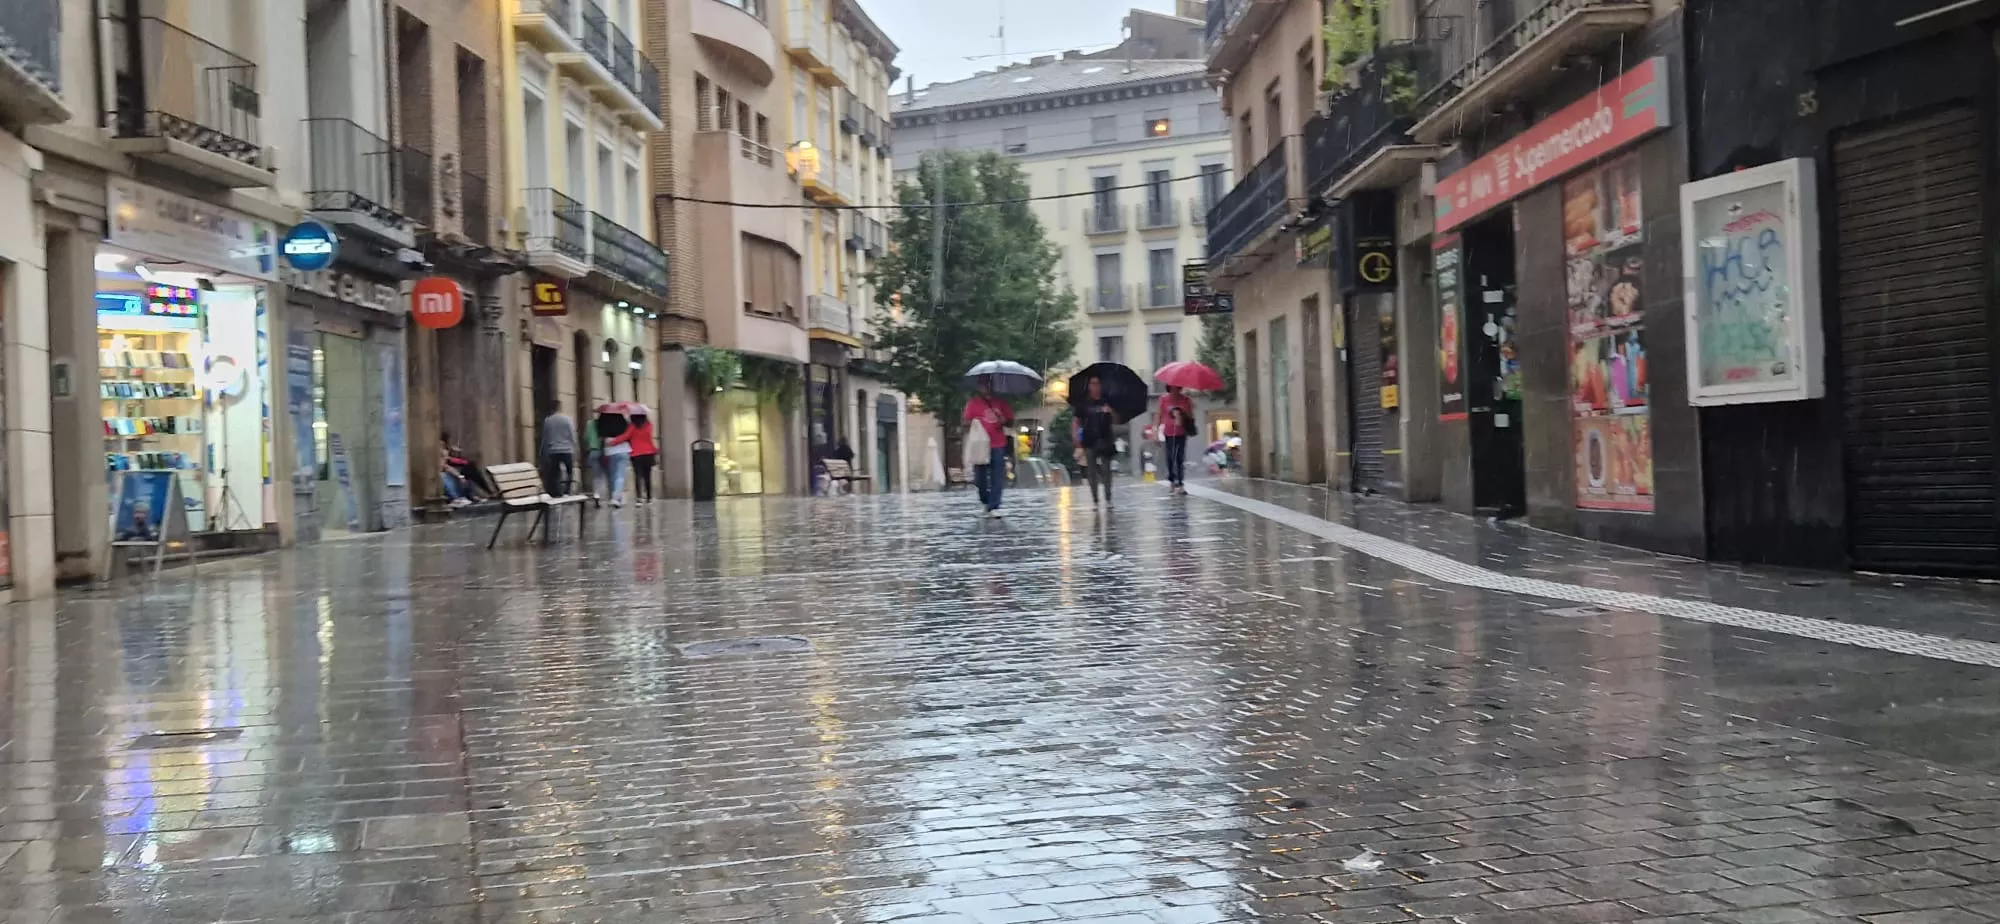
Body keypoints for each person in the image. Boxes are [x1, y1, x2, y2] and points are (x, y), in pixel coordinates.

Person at [962, 378, 1014, 518]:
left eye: (988, 385)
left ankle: (994, 506)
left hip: (998, 443)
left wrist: (1004, 420)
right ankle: (986, 500)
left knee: (997, 476)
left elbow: (1010, 422)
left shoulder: (1001, 403)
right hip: (980, 445)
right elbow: (965, 422)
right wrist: (973, 423)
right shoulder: (973, 403)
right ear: (979, 388)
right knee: (980, 478)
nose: (986, 388)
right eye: (983, 386)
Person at [1075, 376, 1119, 506]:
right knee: (1091, 471)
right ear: (1089, 386)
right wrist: (1077, 440)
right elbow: (1076, 421)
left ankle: (1108, 497)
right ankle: (1095, 498)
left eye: (1098, 384)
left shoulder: (1107, 401)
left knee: (1106, 469)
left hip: (1106, 438)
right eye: (1093, 384)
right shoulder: (1083, 403)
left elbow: (1117, 420)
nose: (1096, 387)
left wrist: (1111, 412)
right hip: (1089, 439)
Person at [1157, 385, 1195, 494]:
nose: (1175, 390)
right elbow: (1159, 415)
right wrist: (1155, 431)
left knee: (1179, 458)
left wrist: (1181, 414)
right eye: (1173, 388)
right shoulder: (1164, 399)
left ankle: (1180, 483)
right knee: (1170, 457)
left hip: (1181, 432)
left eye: (1177, 388)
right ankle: (1172, 481)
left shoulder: (1186, 400)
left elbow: (1191, 416)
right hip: (1168, 432)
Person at [596, 405, 633, 507]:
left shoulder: (602, 422)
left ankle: (615, 497)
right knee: (620, 476)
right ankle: (616, 498)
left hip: (610, 450)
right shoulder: (622, 421)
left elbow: (600, 436)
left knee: (612, 476)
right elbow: (628, 435)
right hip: (623, 449)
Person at [539, 406, 577, 497]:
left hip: (553, 450)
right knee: (569, 471)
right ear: (560, 408)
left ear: (552, 409)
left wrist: (542, 451)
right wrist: (575, 447)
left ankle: (557, 491)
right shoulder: (568, 419)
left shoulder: (548, 421)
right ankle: (567, 491)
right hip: (567, 450)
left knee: (555, 473)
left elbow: (545, 438)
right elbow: (572, 435)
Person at [628, 410, 658, 504]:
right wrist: (655, 450)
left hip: (636, 454)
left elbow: (626, 436)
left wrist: (613, 442)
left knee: (638, 476)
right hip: (648, 453)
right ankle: (649, 497)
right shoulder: (649, 425)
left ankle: (639, 498)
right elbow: (649, 439)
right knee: (647, 476)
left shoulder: (632, 426)